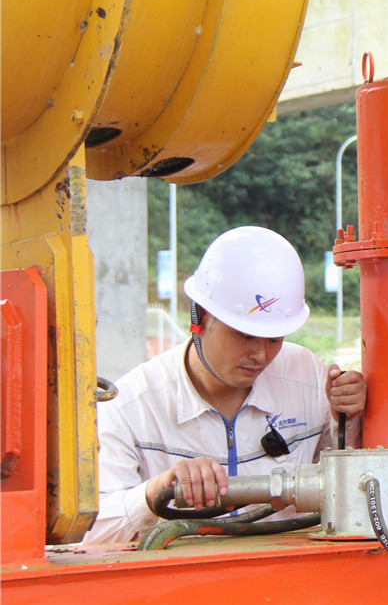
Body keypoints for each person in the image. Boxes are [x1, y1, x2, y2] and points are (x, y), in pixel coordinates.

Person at [82, 226, 367, 544]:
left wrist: (347, 419)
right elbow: (90, 535)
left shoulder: (307, 376)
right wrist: (155, 493)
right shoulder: (130, 408)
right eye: (244, 335)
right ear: (200, 317)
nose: (260, 355)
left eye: (274, 339)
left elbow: (353, 490)